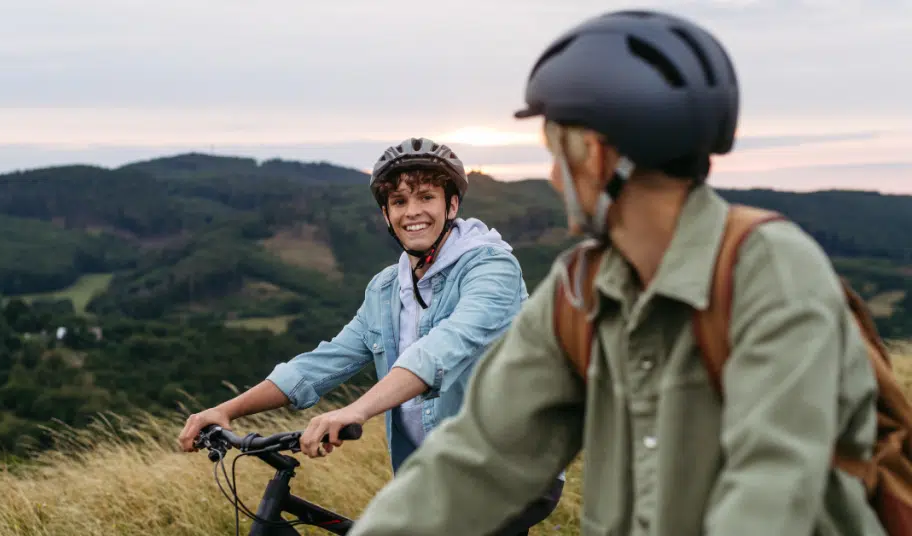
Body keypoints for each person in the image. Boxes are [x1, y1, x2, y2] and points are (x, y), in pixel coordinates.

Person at [348, 10, 885, 536]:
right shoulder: (578, 291)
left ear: (597, 156)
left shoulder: (770, 273)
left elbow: (771, 492)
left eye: (558, 155)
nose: (555, 178)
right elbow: (477, 460)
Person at [177, 137, 564, 534]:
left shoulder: (491, 268)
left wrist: (356, 410)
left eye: (426, 197)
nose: (412, 212)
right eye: (398, 202)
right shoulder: (386, 289)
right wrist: (227, 410)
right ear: (386, 214)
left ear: (451, 205)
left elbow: (442, 347)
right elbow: (321, 363)